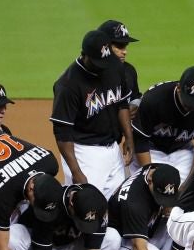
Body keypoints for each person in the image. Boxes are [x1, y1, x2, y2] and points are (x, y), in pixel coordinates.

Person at [50, 30, 132, 199]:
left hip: (113, 149)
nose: (102, 67)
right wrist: (76, 172)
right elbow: (62, 133)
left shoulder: (114, 65)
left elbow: (122, 103)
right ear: (84, 55)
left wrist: (128, 137)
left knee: (115, 206)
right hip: (85, 153)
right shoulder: (68, 85)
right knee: (86, 208)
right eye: (97, 62)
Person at [130, 66, 194, 183]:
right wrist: (149, 173)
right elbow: (140, 141)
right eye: (188, 101)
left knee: (188, 191)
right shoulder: (154, 100)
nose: (191, 106)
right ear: (179, 88)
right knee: (150, 189)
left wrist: (190, 183)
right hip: (151, 148)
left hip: (183, 149)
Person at [102, 164, 180, 250]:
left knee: (175, 222)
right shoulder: (135, 202)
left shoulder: (155, 170)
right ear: (150, 181)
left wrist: (168, 205)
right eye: (159, 196)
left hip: (135, 226)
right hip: (116, 242)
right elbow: (138, 246)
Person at [97, 20, 142, 119]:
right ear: (104, 46)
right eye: (120, 46)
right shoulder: (88, 73)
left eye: (125, 46)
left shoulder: (129, 70)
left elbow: (135, 97)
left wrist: (135, 105)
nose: (125, 52)